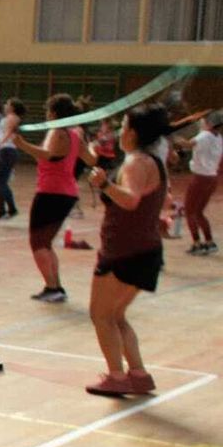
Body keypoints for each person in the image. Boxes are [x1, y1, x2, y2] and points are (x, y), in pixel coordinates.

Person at [85, 105, 172, 396]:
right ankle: (138, 374)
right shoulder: (154, 162)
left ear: (133, 133)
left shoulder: (136, 162)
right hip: (145, 250)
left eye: (123, 126)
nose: (120, 131)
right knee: (117, 315)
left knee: (101, 315)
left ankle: (116, 378)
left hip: (124, 252)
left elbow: (131, 200)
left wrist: (105, 185)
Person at [16, 94, 84, 302]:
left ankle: (52, 287)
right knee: (45, 243)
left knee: (37, 243)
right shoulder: (75, 134)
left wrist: (21, 144)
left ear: (53, 113)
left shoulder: (57, 131)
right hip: (67, 192)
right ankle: (55, 287)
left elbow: (48, 154)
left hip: (51, 191)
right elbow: (90, 157)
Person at [171, 110, 219, 254]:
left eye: (203, 121)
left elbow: (187, 144)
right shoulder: (218, 137)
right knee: (198, 212)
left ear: (210, 124)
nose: (201, 122)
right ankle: (209, 242)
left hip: (201, 178)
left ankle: (197, 243)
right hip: (212, 177)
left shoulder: (204, 135)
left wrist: (172, 135)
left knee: (190, 211)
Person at [0, 97, 22, 220]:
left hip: (8, 150)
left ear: (12, 107)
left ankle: (9, 209)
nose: (5, 105)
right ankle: (4, 210)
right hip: (6, 150)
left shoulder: (12, 118)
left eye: (7, 104)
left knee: (0, 181)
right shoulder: (7, 118)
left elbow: (8, 133)